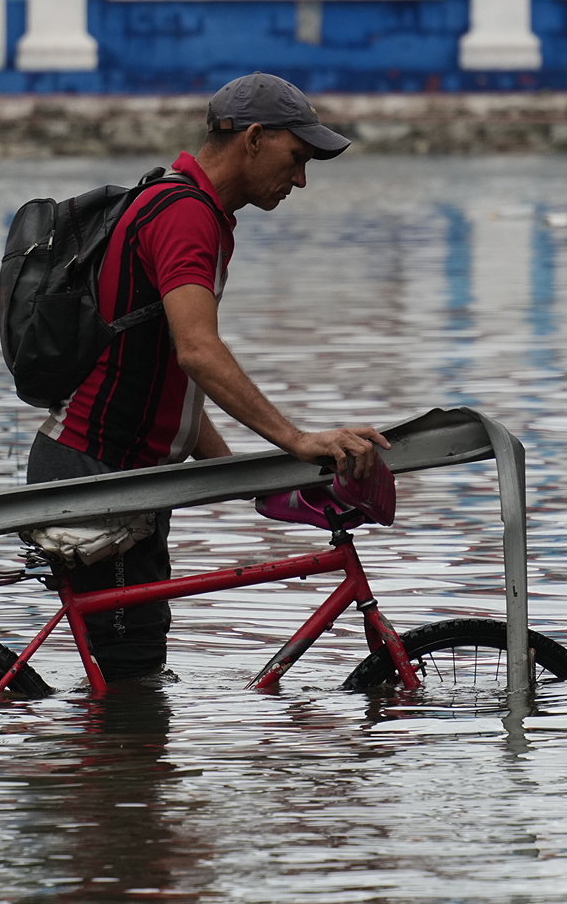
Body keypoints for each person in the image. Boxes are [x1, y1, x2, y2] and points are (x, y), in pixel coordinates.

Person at [26, 71, 390, 683]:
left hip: (122, 474)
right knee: (130, 678)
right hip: (100, 473)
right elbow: (198, 351)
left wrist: (235, 475)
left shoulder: (178, 201)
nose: (300, 179)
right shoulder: (186, 216)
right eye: (296, 157)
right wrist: (297, 441)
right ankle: (89, 773)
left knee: (133, 680)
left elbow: (166, 370)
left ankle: (116, 772)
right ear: (253, 138)